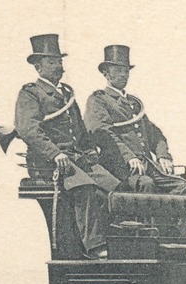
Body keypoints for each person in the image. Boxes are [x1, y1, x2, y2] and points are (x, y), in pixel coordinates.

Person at [14, 34, 119, 258]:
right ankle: (95, 246)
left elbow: (79, 128)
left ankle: (117, 241)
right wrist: (55, 154)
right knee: (85, 188)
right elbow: (28, 129)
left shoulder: (67, 93)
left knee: (114, 187)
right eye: (52, 62)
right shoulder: (30, 93)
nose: (58, 67)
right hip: (49, 162)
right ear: (37, 66)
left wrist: (89, 149)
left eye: (59, 61)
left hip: (76, 158)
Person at [84, 44, 186, 237]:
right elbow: (100, 132)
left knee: (183, 187)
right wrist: (128, 157)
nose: (123, 75)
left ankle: (174, 238)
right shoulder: (99, 100)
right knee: (146, 184)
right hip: (118, 167)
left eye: (126, 70)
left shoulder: (134, 104)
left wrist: (162, 156)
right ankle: (147, 241)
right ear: (106, 73)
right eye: (118, 70)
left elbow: (155, 133)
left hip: (146, 164)